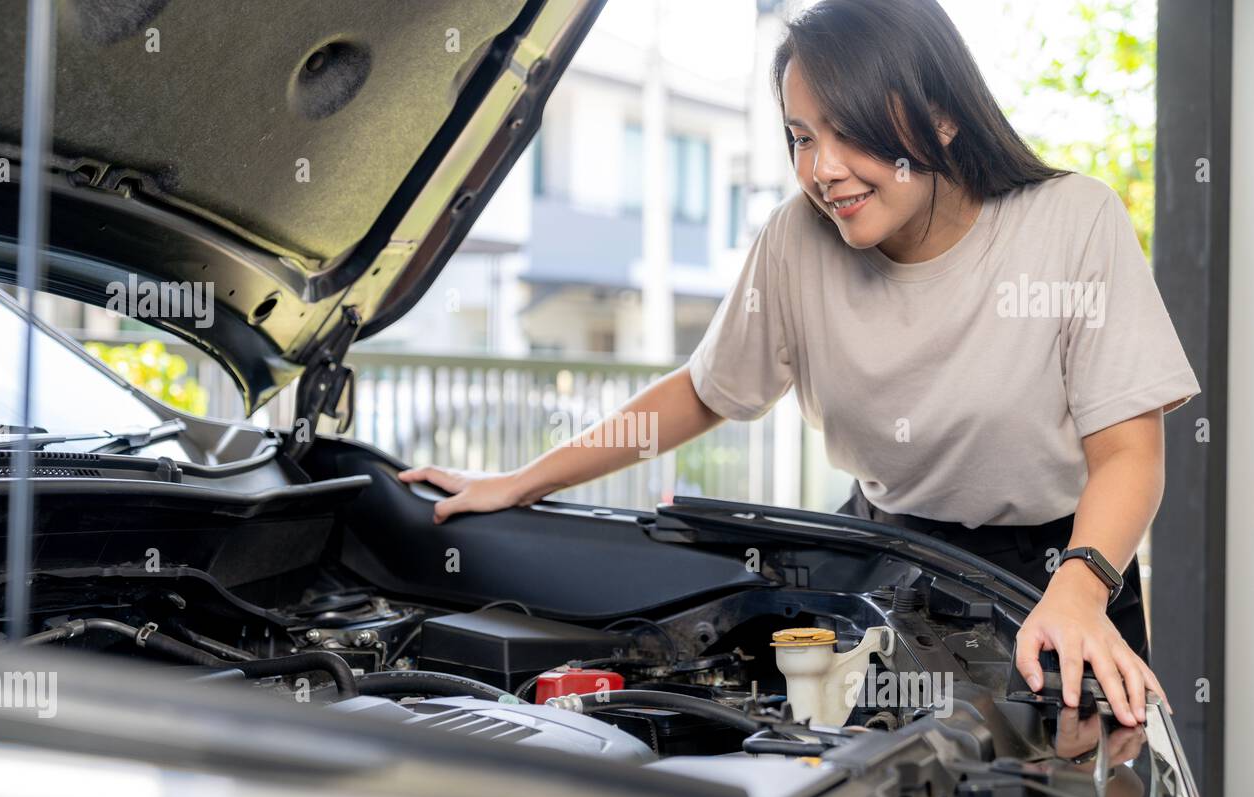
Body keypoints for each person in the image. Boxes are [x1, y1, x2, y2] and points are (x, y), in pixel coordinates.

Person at [401, 0, 1199, 730]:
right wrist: (520, 480)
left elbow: (1128, 454)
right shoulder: (795, 238)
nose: (822, 169)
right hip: (886, 559)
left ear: (945, 116)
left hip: (1060, 573)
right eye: (801, 136)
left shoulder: (1071, 221)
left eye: (848, 130)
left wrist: (1084, 585)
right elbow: (701, 393)